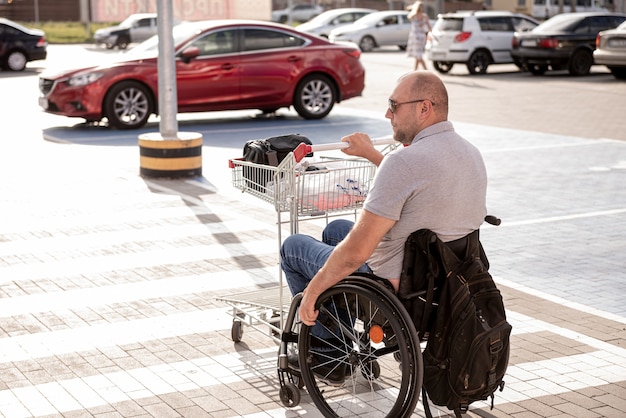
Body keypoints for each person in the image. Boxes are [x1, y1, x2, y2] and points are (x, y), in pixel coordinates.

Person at [280, 71, 488, 382]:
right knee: (336, 228)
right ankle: (344, 329)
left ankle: (329, 354)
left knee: (293, 247)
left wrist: (312, 292)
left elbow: (354, 254)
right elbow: (417, 186)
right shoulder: (470, 153)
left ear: (424, 108)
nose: (387, 114)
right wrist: (373, 156)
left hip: (396, 290)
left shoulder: (403, 163)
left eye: (394, 105)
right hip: (443, 284)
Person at [406, 1, 432, 70]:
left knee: (418, 55)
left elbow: (409, 16)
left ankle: (426, 70)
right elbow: (429, 27)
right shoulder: (424, 16)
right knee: (417, 54)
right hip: (422, 36)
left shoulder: (413, 15)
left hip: (415, 36)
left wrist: (413, 8)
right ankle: (415, 70)